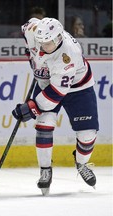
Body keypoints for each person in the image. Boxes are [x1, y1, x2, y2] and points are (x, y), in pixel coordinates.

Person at [12, 18, 99, 195]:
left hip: (78, 88)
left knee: (87, 135)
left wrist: (31, 107)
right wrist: (31, 55)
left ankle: (81, 163)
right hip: (46, 83)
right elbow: (25, 27)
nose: (43, 46)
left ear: (59, 39)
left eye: (48, 43)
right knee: (44, 125)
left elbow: (55, 95)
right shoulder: (33, 31)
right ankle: (45, 170)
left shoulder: (69, 54)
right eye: (41, 42)